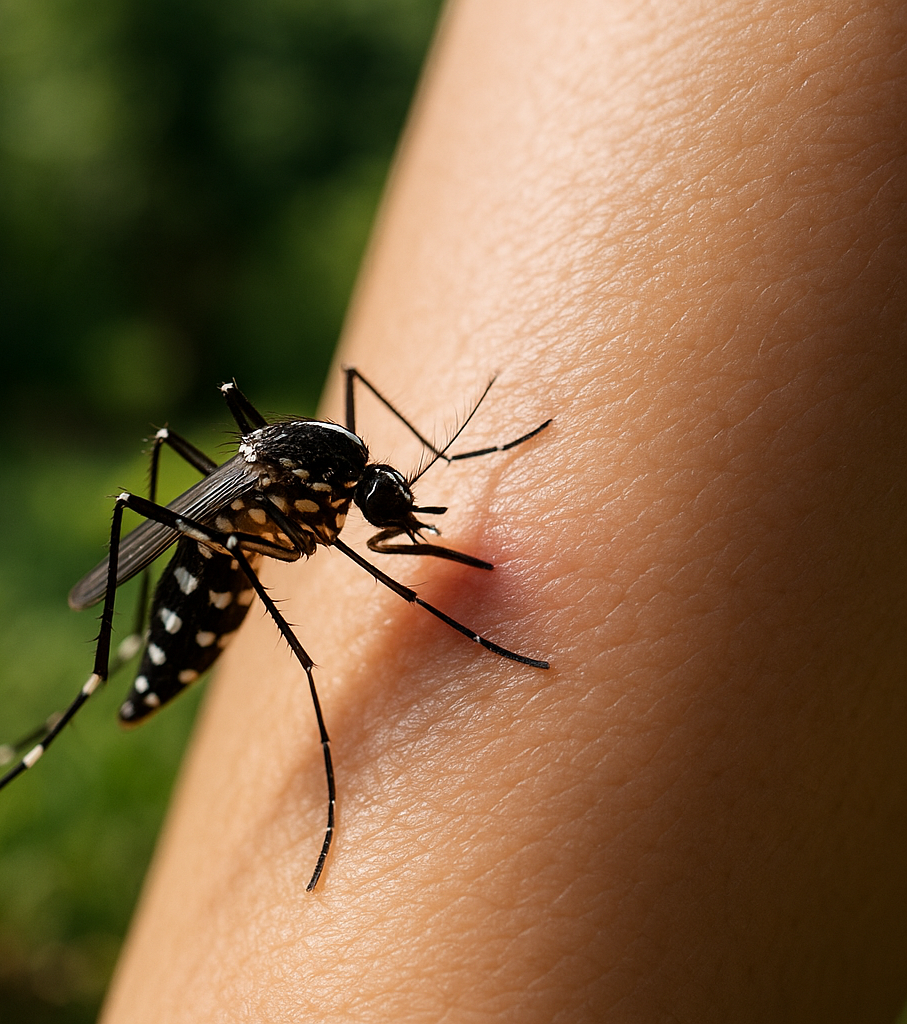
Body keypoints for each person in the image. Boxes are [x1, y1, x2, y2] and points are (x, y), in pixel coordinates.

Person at [101, 0, 907, 1019]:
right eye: (391, 502)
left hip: (263, 512)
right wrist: (459, 628)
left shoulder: (347, 462)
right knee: (187, 524)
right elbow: (346, 548)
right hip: (207, 571)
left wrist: (465, 454)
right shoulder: (324, 483)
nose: (400, 517)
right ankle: (102, 680)